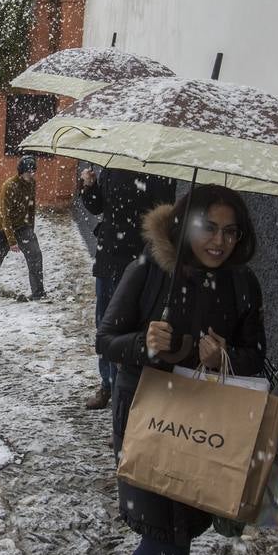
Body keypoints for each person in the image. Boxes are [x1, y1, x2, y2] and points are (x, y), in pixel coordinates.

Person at [96, 185, 265, 555]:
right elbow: (105, 340)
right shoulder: (147, 272)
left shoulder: (242, 285)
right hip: (149, 416)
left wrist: (224, 358)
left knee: (185, 530)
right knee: (158, 531)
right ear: (186, 223)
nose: (219, 241)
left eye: (230, 230)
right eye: (208, 227)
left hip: (208, 426)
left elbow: (257, 357)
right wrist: (145, 344)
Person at [78, 166, 177, 410]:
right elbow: (97, 206)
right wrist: (89, 186)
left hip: (138, 264)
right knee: (105, 325)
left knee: (131, 331)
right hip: (108, 258)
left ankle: (127, 392)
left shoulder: (159, 171)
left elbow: (163, 216)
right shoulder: (112, 167)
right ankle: (107, 384)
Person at [0, 155, 46, 301]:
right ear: (21, 171)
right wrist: (12, 241)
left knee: (35, 255)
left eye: (34, 171)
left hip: (22, 227)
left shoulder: (32, 184)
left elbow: (31, 207)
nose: (32, 174)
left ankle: (38, 293)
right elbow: (4, 215)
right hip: (2, 228)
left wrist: (30, 229)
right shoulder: (9, 186)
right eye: (29, 171)